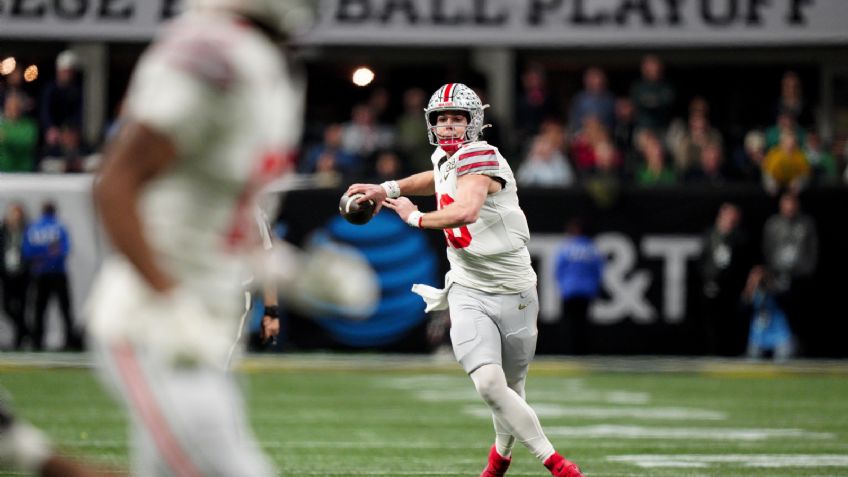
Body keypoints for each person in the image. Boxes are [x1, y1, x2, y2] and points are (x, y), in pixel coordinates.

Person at [1, 1, 312, 476]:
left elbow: (215, 220)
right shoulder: (211, 51)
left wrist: (292, 272)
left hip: (204, 316)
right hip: (153, 322)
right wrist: (169, 299)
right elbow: (114, 184)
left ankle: (26, 453)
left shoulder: (269, 67)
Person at [347, 83, 584, 477]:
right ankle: (559, 465)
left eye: (458, 119)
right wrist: (387, 188)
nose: (450, 127)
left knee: (512, 387)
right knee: (490, 385)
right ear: (432, 124)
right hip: (467, 285)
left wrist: (411, 216)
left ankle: (497, 460)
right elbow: (437, 176)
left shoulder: (484, 156)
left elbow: (467, 210)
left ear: (474, 123)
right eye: (442, 119)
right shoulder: (446, 156)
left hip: (514, 289)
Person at [21, 202, 78, 351]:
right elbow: (65, 250)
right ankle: (70, 340)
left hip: (40, 272)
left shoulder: (33, 227)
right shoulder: (59, 227)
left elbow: (27, 251)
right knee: (64, 309)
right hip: (58, 272)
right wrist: (51, 257)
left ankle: (37, 341)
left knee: (40, 309)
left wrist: (41, 259)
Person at [554, 219, 604, 355]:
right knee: (584, 323)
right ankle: (583, 352)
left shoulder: (567, 247)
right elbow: (598, 271)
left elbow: (558, 270)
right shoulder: (591, 248)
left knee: (569, 323)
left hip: (569, 290)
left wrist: (564, 285)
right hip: (586, 291)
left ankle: (568, 352)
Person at [1, 202, 31, 349]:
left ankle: (19, 340)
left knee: (22, 306)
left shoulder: (26, 230)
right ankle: (26, 331)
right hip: (7, 273)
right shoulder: (4, 230)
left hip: (22, 273)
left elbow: (30, 250)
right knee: (7, 306)